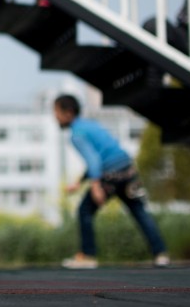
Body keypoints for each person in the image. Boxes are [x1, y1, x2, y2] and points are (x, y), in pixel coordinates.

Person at [54, 94, 169, 269]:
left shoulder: (76, 134)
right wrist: (79, 182)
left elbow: (94, 161)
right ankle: (160, 254)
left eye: (56, 112)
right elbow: (104, 154)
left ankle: (88, 256)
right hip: (128, 170)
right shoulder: (90, 125)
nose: (55, 117)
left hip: (110, 177)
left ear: (68, 113)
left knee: (84, 211)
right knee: (139, 210)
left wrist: (96, 186)